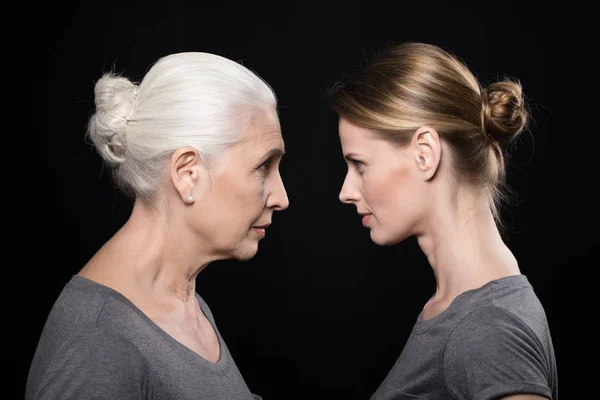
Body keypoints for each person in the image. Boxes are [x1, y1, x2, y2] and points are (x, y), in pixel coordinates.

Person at [26, 52, 288, 399]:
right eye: (263, 167)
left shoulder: (183, 304)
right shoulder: (100, 340)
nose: (281, 197)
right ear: (187, 174)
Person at [328, 42, 558, 399]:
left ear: (425, 154)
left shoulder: (487, 329)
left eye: (360, 165)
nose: (346, 191)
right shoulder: (462, 308)